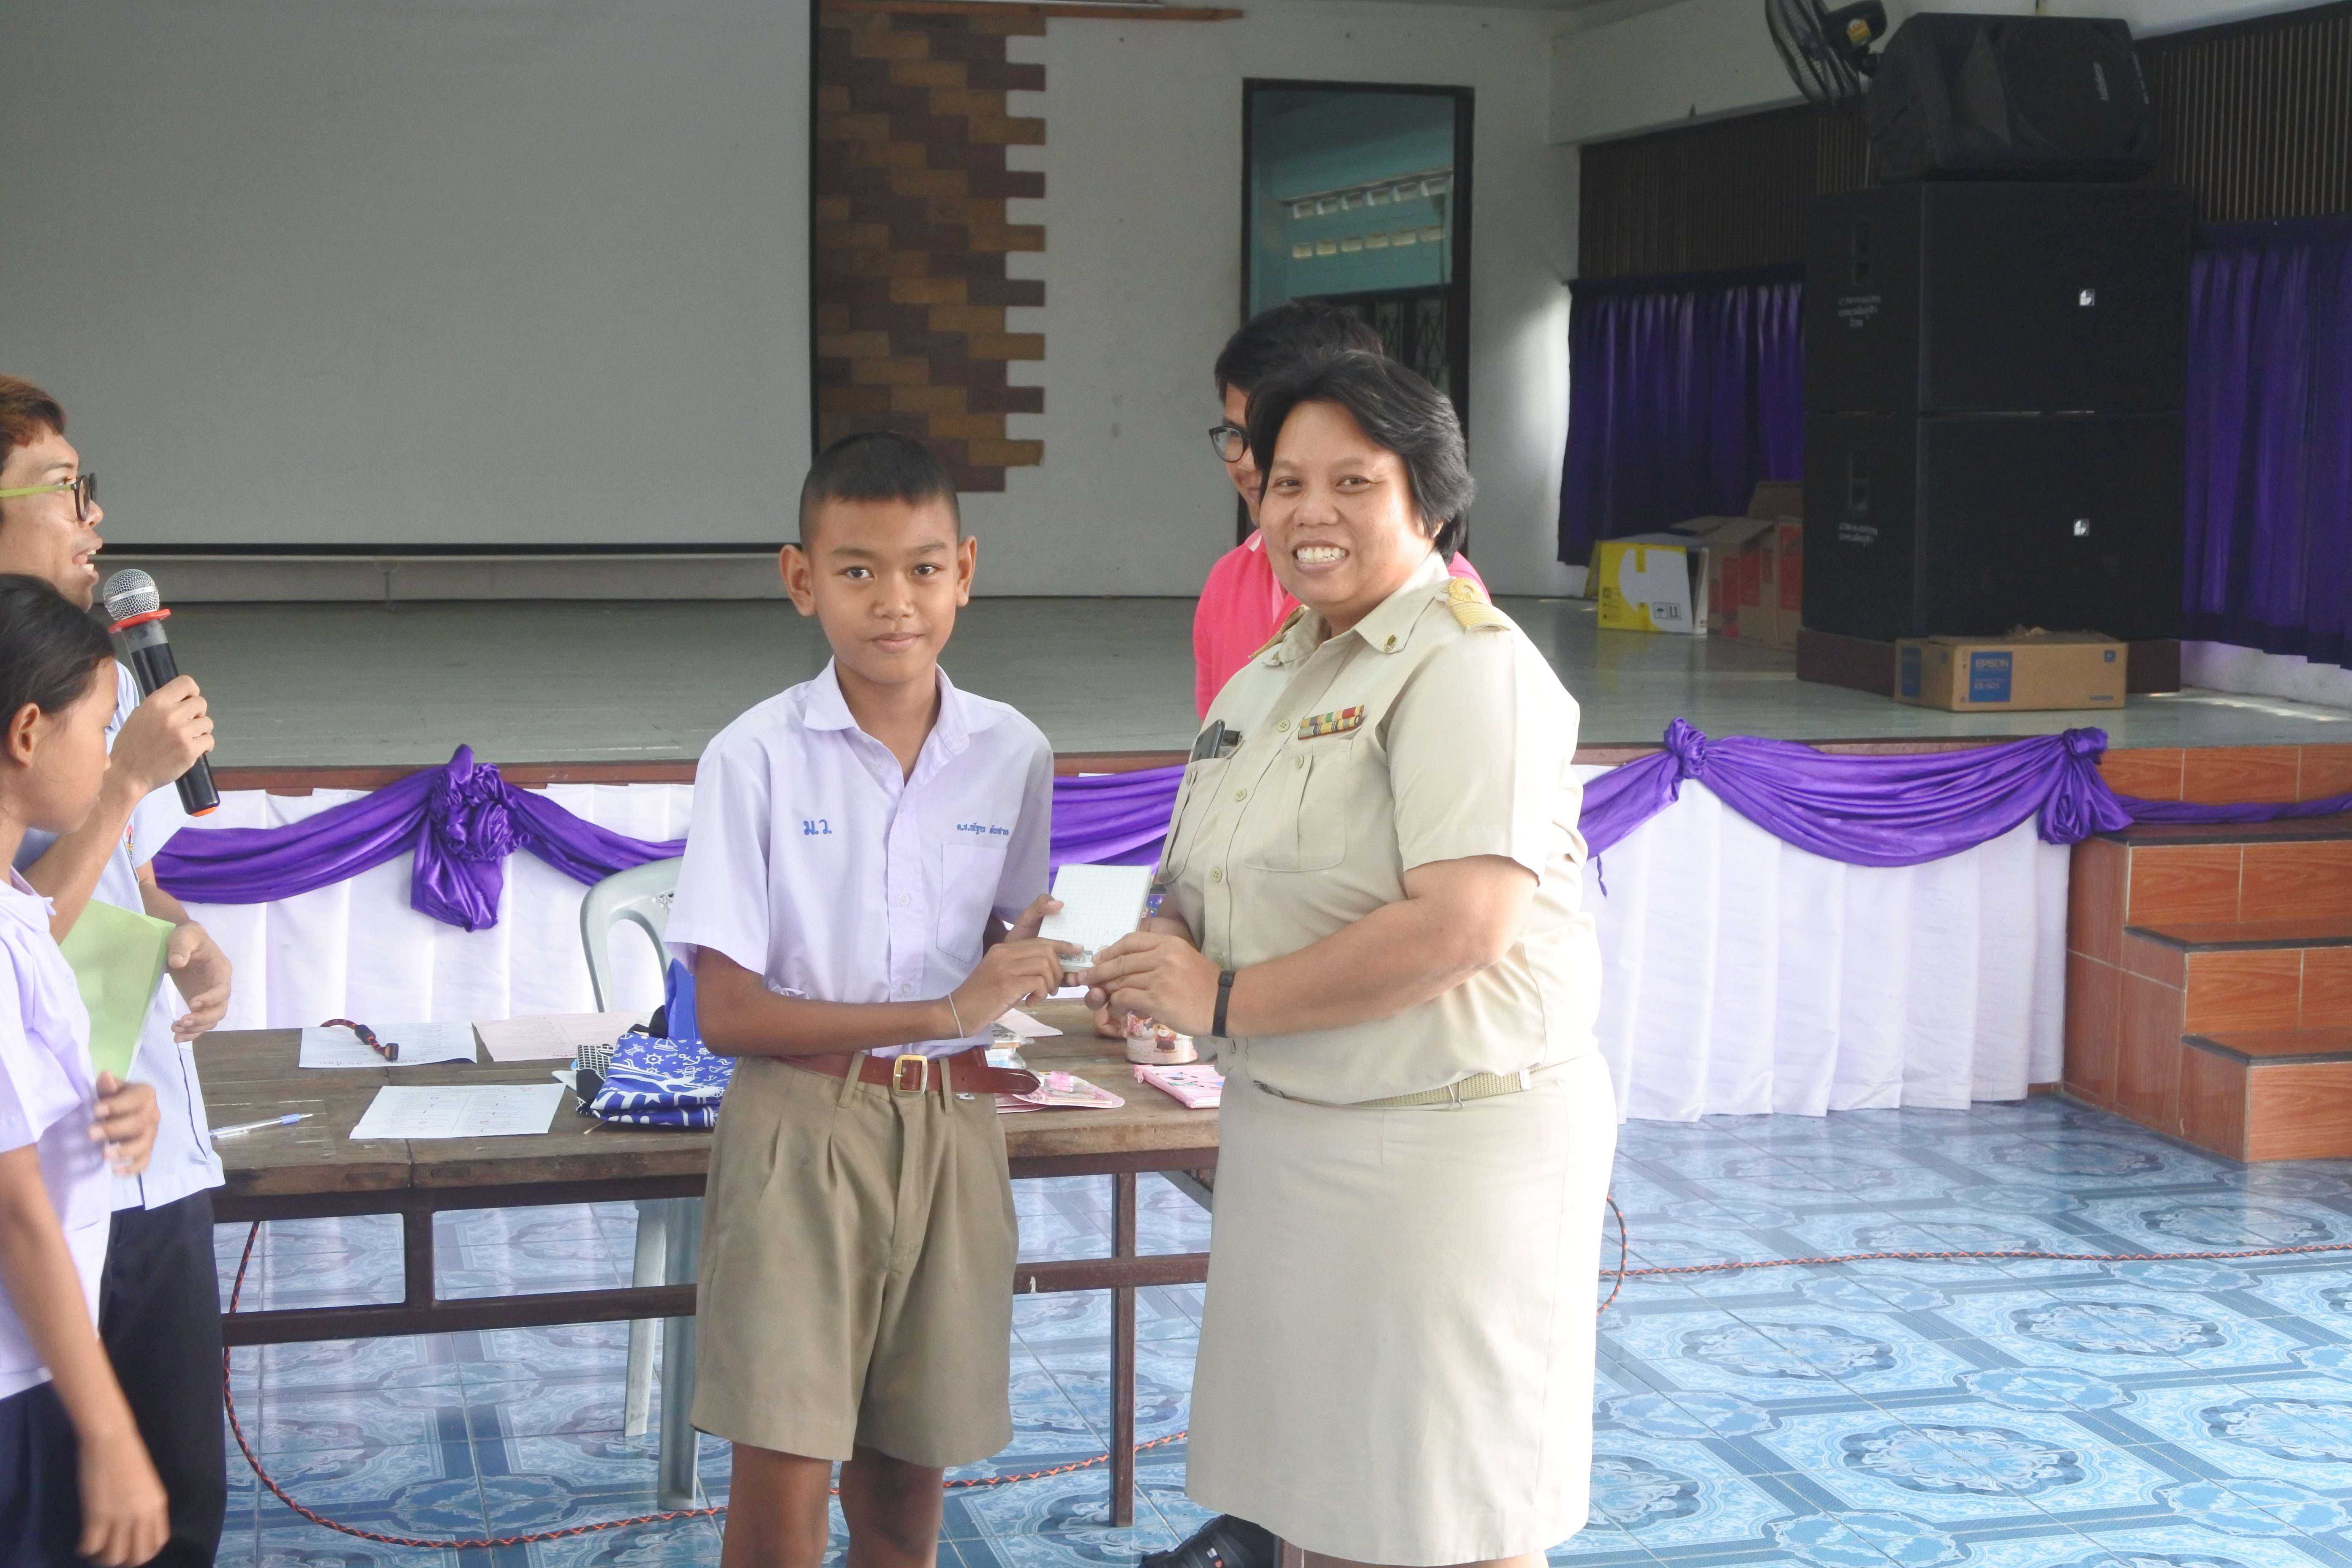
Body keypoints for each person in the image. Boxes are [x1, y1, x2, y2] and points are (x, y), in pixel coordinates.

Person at [1094, 351, 1616, 1568]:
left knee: (1455, 1516)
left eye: (1351, 482)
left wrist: (1224, 995)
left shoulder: (1470, 667)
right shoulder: (1279, 667)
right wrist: (1166, 946)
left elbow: (1460, 925)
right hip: (1298, 1135)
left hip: (1445, 1150)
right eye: (1285, 482)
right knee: (1332, 1511)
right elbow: (1213, 865)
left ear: (1428, 499)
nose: (1307, 512)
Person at [666, 431, 1076, 1568]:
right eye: (857, 571)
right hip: (801, 1133)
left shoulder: (1014, 753)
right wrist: (946, 1013)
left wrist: (1046, 968)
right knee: (784, 1500)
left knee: (906, 1496)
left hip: (953, 1132)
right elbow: (727, 1014)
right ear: (802, 579)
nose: (895, 601)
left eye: (923, 568)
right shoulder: (754, 757)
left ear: (966, 571)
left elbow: (998, 941)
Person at [0, 376, 230, 1568]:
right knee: (69, 1507)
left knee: (178, 1500)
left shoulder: (108, 668)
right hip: (38, 1176)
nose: (94, 518)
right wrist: (129, 778)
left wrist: (184, 934)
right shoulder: (41, 715)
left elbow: (124, 881)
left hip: (137, 1137)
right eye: (61, 489)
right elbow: (19, 923)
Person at [0, 574, 170, 1567]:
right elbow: (15, 1206)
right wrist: (110, 1429)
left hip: (37, 1365)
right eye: (102, 727)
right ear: (28, 732)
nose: (110, 756)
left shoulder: (22, 906)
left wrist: (114, 1113)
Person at [1192, 301, 1486, 718]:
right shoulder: (1228, 582)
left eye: (1352, 481)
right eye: (1236, 434)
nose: (1249, 463)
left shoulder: (1449, 616)